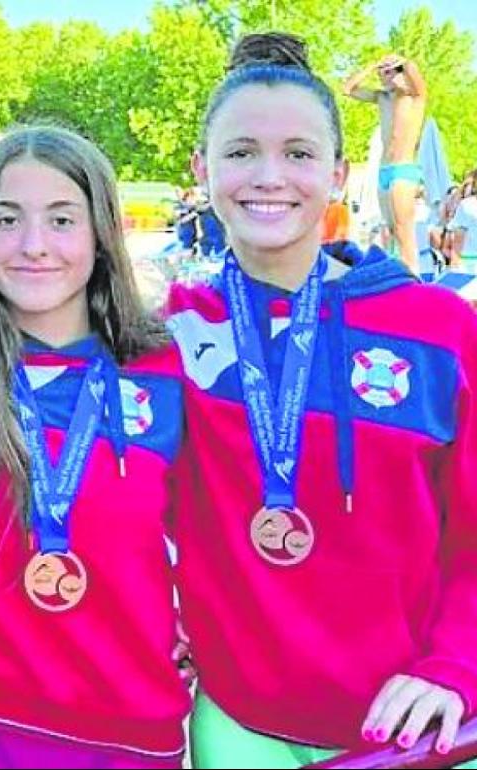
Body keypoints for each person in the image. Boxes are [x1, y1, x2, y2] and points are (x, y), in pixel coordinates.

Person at [166, 32, 477, 767]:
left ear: (338, 173)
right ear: (201, 170)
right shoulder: (170, 332)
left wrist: (456, 666)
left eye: (299, 154)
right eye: (240, 152)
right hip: (239, 725)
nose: (269, 176)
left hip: (410, 731)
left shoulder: (439, 330)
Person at [0, 126, 191, 768]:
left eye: (62, 219)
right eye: (8, 220)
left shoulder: (169, 371)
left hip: (127, 726)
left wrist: (208, 619)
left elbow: (213, 526)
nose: (34, 246)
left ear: (101, 236)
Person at [343, 53, 427, 273]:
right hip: (384, 170)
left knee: (403, 230)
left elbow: (413, 70)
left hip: (403, 169)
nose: (383, 76)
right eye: (382, 73)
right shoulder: (382, 98)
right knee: (389, 230)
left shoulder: (414, 97)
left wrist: (400, 61)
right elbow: (348, 89)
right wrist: (372, 65)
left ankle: (414, 277)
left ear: (399, 74)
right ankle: (398, 276)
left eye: (388, 72)